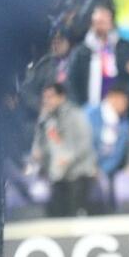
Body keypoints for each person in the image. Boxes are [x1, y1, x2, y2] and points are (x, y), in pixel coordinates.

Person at [29, 83, 97, 218]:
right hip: (56, 175)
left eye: (51, 96)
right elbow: (39, 141)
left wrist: (69, 158)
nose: (47, 100)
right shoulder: (45, 118)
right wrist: (37, 151)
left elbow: (85, 143)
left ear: (62, 97)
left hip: (78, 173)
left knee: (74, 212)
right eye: (45, 97)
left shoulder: (76, 114)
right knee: (56, 214)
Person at [68, 6, 129, 107]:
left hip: (120, 108)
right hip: (90, 108)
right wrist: (79, 108)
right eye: (98, 22)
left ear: (111, 23)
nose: (101, 26)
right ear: (92, 24)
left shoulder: (124, 46)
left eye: (104, 21)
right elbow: (72, 81)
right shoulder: (81, 52)